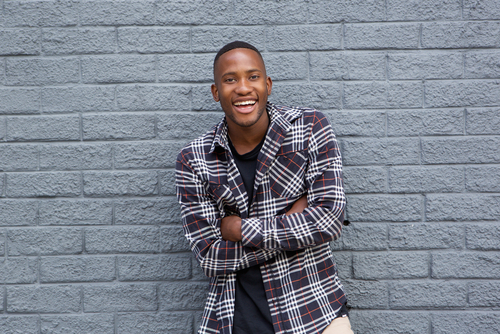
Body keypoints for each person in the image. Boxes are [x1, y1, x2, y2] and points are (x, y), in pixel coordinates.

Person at [176, 41, 353, 334]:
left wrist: (238, 230)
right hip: (233, 321)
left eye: (253, 76)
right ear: (216, 92)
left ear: (268, 84)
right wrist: (292, 227)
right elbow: (210, 256)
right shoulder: (194, 159)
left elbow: (329, 221)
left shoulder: (310, 127)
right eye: (230, 79)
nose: (243, 88)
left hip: (317, 315)